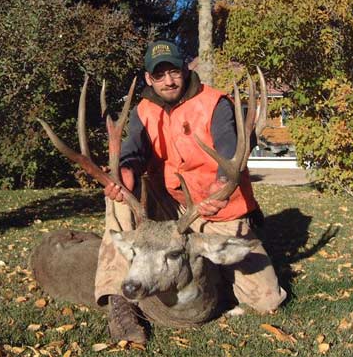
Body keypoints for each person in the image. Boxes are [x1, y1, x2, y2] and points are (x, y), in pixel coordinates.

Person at [96, 40, 286, 343]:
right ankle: (117, 297)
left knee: (266, 301)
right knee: (118, 197)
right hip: (168, 205)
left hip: (215, 206)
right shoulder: (143, 112)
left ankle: (219, 277)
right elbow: (131, 152)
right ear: (149, 79)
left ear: (185, 70)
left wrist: (220, 184)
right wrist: (126, 174)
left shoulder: (215, 103)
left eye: (173, 72)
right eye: (159, 76)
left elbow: (229, 147)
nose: (168, 81)